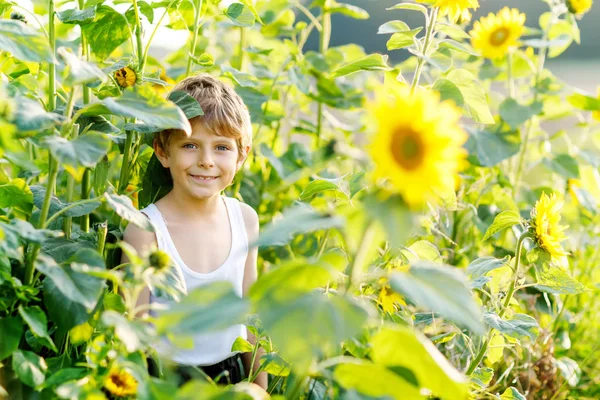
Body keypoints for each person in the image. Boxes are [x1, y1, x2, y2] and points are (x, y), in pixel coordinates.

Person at [121, 74, 267, 389]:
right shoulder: (145, 230)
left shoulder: (245, 219)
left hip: (230, 377)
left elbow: (250, 312)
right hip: (166, 378)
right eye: (190, 145)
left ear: (242, 154)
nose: (206, 161)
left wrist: (260, 387)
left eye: (222, 148)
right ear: (162, 151)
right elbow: (134, 334)